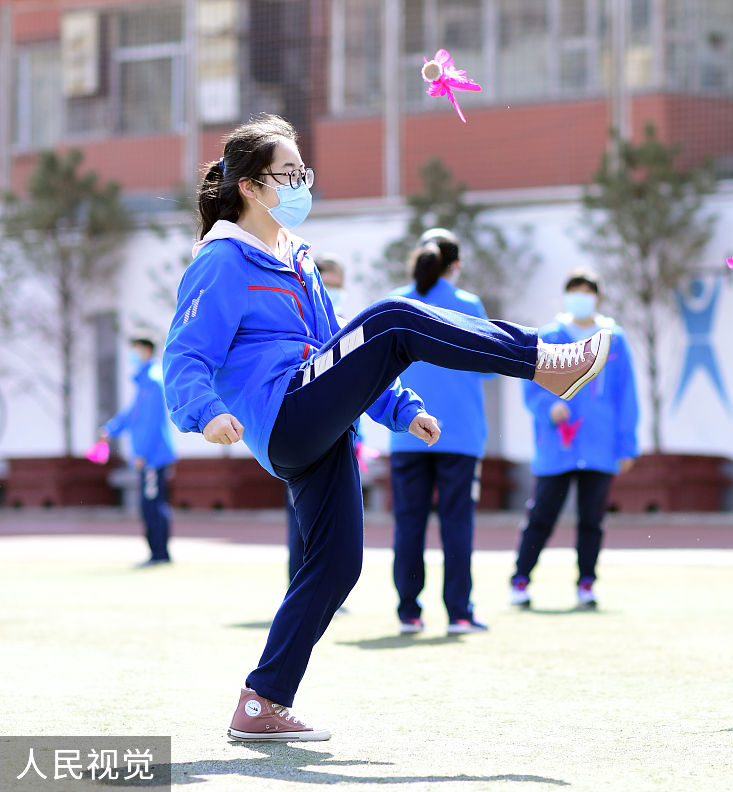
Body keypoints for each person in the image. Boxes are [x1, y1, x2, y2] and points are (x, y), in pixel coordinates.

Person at [162, 114, 610, 741]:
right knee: (394, 318)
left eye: (303, 174)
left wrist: (400, 408)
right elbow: (184, 357)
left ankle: (262, 701)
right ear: (251, 187)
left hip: (321, 419)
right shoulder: (222, 263)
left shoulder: (296, 260)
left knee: (338, 563)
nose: (300, 185)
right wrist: (206, 412)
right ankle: (541, 361)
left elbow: (334, 352)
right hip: (284, 415)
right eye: (288, 175)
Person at [511, 268, 639, 610]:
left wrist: (627, 445)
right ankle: (520, 580)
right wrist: (547, 409)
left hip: (600, 444)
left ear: (597, 298)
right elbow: (532, 383)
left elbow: (626, 394)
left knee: (592, 519)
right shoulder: (551, 335)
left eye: (587, 292)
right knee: (542, 514)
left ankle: (586, 583)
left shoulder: (615, 338)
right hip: (558, 445)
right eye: (574, 292)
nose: (580, 299)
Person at [388, 230, 493, 635]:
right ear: (456, 265)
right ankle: (459, 612)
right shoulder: (467, 305)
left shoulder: (398, 301)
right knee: (457, 523)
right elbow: (488, 363)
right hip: (461, 433)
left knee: (409, 524)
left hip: (406, 429)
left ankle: (408, 612)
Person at [285, 253, 347, 582]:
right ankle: (300, 586)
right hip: (306, 427)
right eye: (329, 285)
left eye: (339, 286)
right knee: (302, 520)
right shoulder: (300, 320)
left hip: (341, 432)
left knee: (334, 522)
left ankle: (326, 588)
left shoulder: (346, 322)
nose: (335, 292)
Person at [101, 334, 178, 567]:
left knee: (153, 504)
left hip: (153, 457)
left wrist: (142, 454)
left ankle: (160, 554)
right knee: (149, 504)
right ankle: (156, 553)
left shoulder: (153, 382)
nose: (132, 355)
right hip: (148, 457)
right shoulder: (144, 382)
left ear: (145, 350)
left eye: (134, 349)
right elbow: (133, 414)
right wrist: (110, 429)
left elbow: (152, 422)